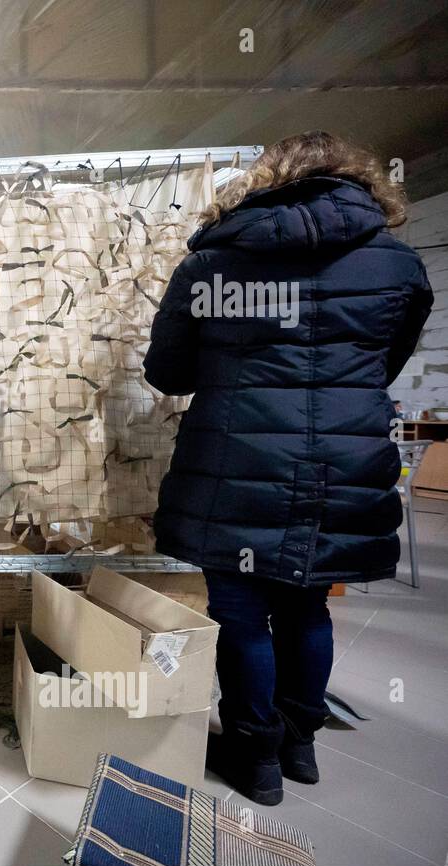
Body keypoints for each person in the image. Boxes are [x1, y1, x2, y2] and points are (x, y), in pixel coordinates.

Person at [144, 132, 432, 805]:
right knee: (307, 607)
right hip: (345, 460)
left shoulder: (213, 264)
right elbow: (382, 366)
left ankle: (257, 756)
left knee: (241, 615)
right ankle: (300, 744)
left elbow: (168, 371)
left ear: (268, 178)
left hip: (235, 457)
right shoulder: (397, 265)